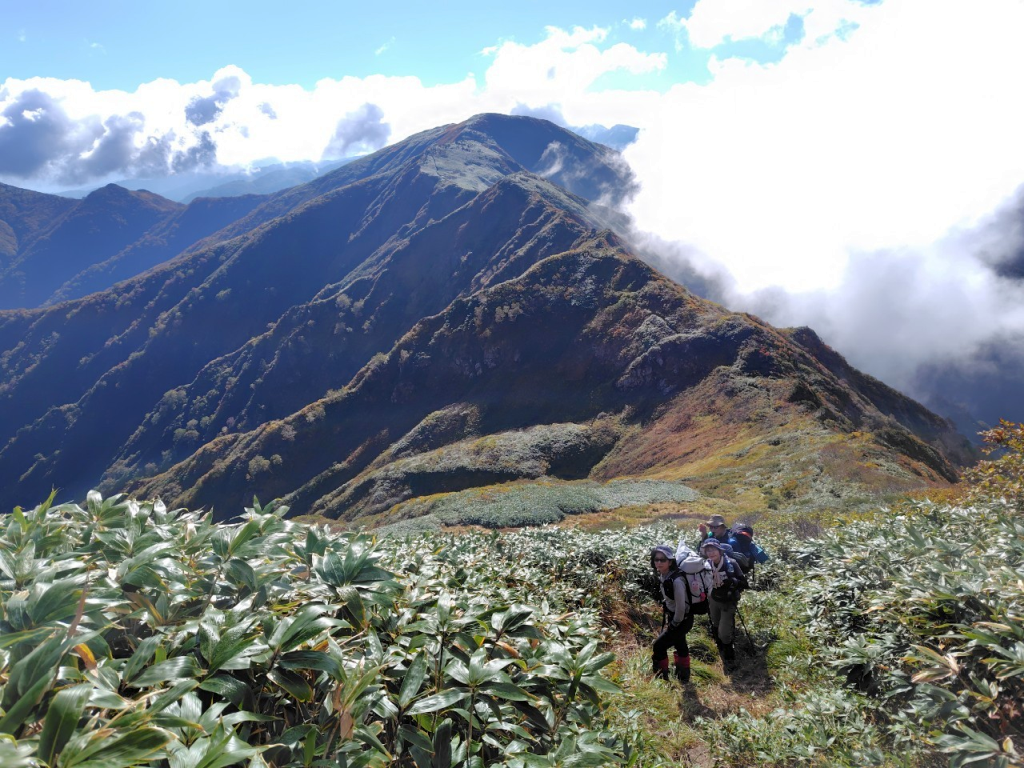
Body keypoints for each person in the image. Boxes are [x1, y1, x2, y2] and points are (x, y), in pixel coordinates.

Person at [700, 538, 747, 669]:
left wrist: (733, 582)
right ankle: (720, 647)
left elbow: (744, 583)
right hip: (713, 598)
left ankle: (729, 656)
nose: (711, 553)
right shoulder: (706, 565)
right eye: (708, 550)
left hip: (728, 602)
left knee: (724, 632)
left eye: (713, 550)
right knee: (715, 623)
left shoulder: (731, 564)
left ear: (719, 550)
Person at [650, 545, 694, 683]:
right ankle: (683, 676)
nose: (659, 562)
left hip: (681, 619)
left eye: (663, 560)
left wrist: (674, 624)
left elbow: (681, 607)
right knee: (680, 643)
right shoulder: (664, 575)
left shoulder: (677, 580)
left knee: (658, 646)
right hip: (677, 617)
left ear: (670, 561)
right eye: (656, 559)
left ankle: (661, 677)